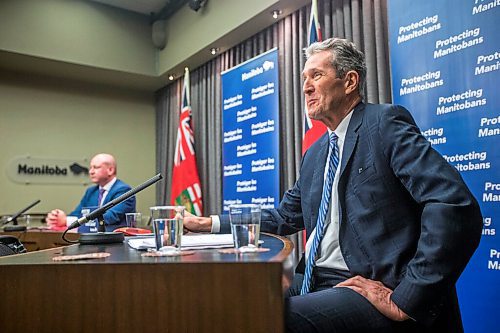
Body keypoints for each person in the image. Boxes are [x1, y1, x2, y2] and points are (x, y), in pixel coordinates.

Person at [184, 38, 483, 332]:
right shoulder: (315, 154)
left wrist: (408, 296)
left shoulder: (384, 124)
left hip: (364, 284)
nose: (306, 86)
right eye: (304, 78)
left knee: (270, 319)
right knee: (225, 302)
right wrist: (206, 223)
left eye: (317, 75)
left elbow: (453, 204)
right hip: (313, 277)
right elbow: (283, 217)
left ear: (350, 81)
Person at [46, 153, 136, 233]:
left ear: (110, 170)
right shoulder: (91, 191)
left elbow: (108, 218)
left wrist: (66, 220)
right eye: (90, 168)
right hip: (92, 241)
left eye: (96, 167)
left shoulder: (124, 190)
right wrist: (57, 218)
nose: (91, 172)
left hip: (116, 245)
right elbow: (78, 213)